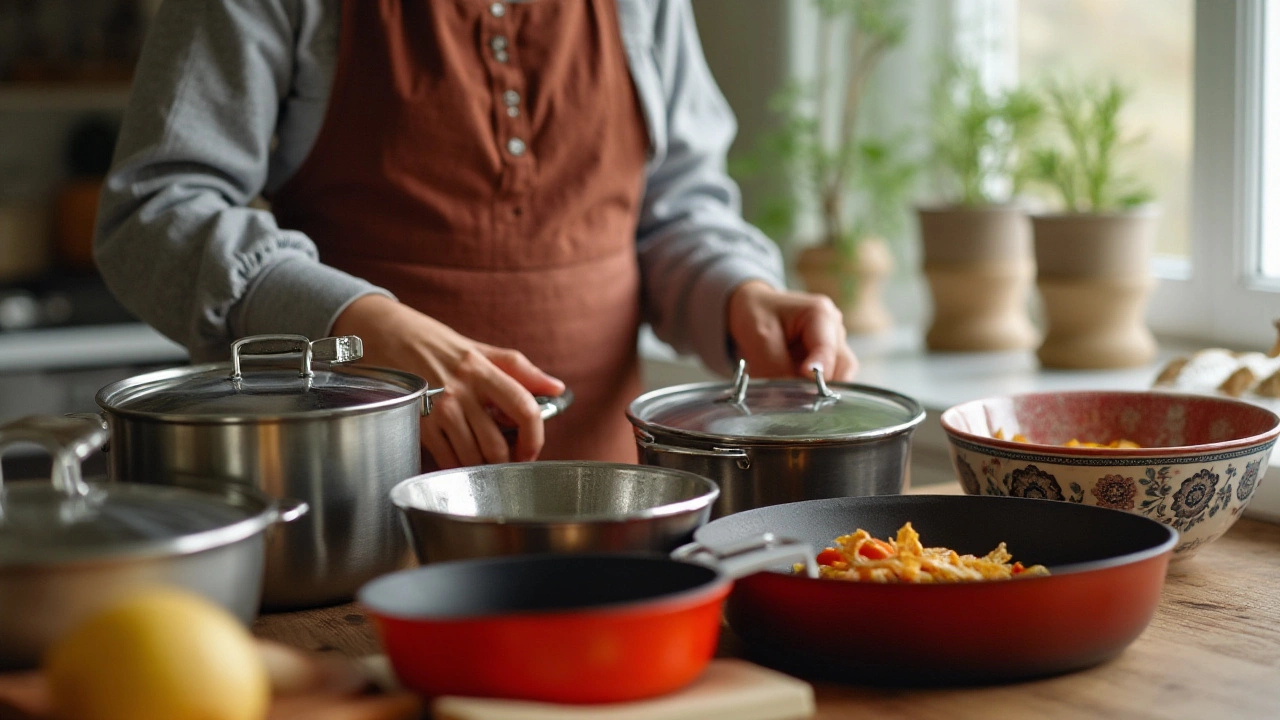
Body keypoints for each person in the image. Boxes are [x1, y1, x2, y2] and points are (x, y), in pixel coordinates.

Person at [95, 0, 858, 470]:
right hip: (355, 524)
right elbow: (155, 212)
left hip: (611, 516)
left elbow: (671, 209)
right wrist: (362, 328)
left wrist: (739, 296)